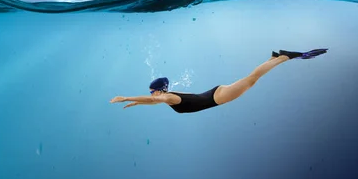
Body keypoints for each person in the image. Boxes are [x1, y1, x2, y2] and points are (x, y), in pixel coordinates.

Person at [110, 49, 328, 112]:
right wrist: (139, 102)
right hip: (215, 93)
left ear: (160, 90)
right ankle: (276, 58)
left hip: (217, 97)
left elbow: (157, 101)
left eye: (151, 91)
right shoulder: (166, 98)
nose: (151, 95)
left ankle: (281, 57)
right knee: (250, 80)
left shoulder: (167, 97)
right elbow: (154, 102)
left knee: (252, 80)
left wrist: (126, 97)